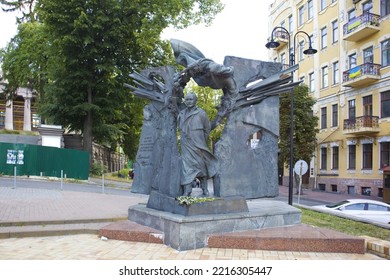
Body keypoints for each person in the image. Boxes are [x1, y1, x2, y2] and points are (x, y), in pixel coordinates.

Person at [177, 92, 217, 196]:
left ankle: (205, 189)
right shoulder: (181, 114)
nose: (189, 101)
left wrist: (202, 139)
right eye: (187, 99)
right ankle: (187, 190)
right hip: (186, 144)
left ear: (195, 101)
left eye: (191, 99)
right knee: (186, 168)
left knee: (201, 167)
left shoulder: (201, 113)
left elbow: (207, 128)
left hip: (198, 144)